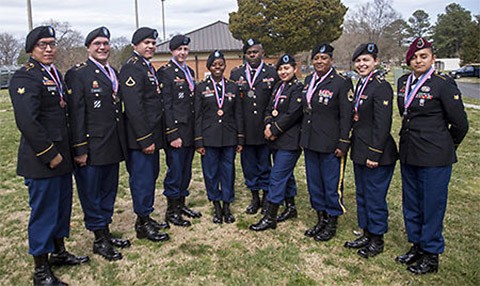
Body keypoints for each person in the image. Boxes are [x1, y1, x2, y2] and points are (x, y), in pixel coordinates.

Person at [9, 25, 89, 286]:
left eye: (52, 44)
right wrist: (49, 154)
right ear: (31, 48)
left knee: (61, 208)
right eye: (43, 44)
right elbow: (28, 122)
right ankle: (41, 271)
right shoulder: (25, 77)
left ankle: (59, 252)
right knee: (44, 213)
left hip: (63, 157)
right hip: (43, 160)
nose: (49, 49)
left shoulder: (55, 74)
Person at [395, 37, 468, 274]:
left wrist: (447, 145)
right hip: (409, 152)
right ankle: (417, 245)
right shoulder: (403, 81)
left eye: (423, 56)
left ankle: (431, 254)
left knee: (432, 206)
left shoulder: (443, 84)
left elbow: (460, 124)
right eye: (414, 57)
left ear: (433, 59)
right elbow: (405, 113)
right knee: (412, 204)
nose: (418, 60)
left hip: (435, 156)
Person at [65, 27, 130, 261]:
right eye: (97, 44)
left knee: (108, 192)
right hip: (91, 148)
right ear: (88, 48)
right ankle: (99, 239)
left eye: (106, 43)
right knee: (91, 194)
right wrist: (80, 148)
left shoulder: (112, 71)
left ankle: (106, 231)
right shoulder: (78, 74)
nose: (103, 47)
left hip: (112, 145)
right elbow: (76, 114)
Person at [344, 43, 398, 258]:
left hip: (377, 153)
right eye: (358, 61)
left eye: (366, 60)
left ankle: (377, 239)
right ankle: (366, 232)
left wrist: (374, 153)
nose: (361, 64)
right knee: (362, 194)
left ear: (375, 62)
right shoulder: (362, 84)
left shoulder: (381, 86)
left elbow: (383, 124)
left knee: (375, 196)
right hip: (360, 149)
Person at [120, 27, 169, 242]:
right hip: (141, 139)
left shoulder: (146, 67)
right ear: (135, 46)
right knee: (142, 180)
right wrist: (145, 139)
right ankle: (142, 224)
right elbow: (134, 107)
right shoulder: (132, 68)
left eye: (153, 43)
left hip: (152, 136)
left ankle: (146, 216)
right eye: (146, 43)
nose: (150, 46)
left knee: (150, 178)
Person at [300, 43, 354, 242]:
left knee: (331, 184)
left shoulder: (341, 82)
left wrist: (343, 143)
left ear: (331, 60)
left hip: (331, 144)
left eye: (324, 58)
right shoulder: (308, 80)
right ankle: (320, 219)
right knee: (315, 183)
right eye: (316, 58)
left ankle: (332, 221)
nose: (319, 61)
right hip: (311, 141)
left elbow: (346, 116)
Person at [250, 54, 303, 231]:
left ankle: (270, 216)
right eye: (280, 69)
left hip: (289, 141)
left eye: (287, 68)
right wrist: (267, 124)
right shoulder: (278, 86)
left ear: (294, 69)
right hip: (275, 140)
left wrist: (274, 130)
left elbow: (293, 114)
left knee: (277, 177)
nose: (283, 72)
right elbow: (268, 108)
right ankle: (291, 207)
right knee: (287, 175)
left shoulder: (297, 87)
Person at [194, 50, 244, 224]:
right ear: (209, 67)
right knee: (211, 173)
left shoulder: (233, 86)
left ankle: (227, 205)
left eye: (221, 64)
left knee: (228, 172)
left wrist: (240, 138)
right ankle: (216, 205)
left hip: (229, 137)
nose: (218, 67)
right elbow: (198, 116)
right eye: (215, 64)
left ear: (224, 66)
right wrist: (198, 140)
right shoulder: (201, 87)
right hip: (209, 138)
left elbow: (238, 114)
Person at [230, 39, 278, 215]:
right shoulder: (236, 74)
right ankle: (254, 197)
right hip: (245, 130)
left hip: (265, 129)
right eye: (249, 53)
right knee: (249, 166)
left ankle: (266, 197)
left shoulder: (272, 73)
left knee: (265, 164)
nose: (252, 55)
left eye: (255, 52)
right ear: (245, 55)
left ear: (262, 53)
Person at [157, 34, 201, 227]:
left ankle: (181, 204)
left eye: (185, 49)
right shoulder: (165, 72)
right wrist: (172, 133)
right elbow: (166, 105)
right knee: (175, 171)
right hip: (176, 130)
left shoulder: (189, 71)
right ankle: (171, 210)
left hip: (189, 129)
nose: (182, 53)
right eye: (179, 50)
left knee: (186, 170)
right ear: (172, 51)